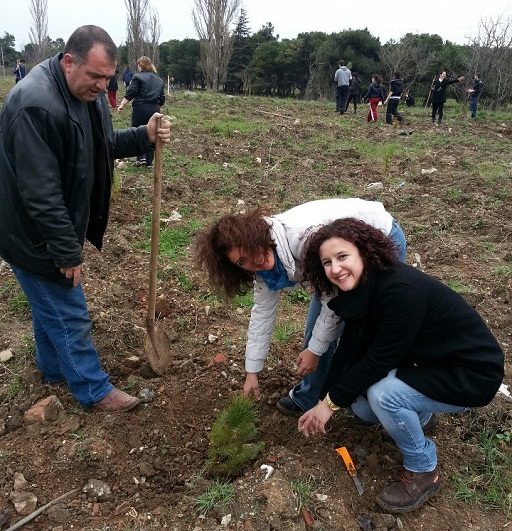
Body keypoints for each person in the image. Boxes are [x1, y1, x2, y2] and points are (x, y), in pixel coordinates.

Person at [0, 25, 171, 412]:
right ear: (68, 62)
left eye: (107, 78)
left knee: (49, 307)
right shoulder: (35, 105)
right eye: (94, 76)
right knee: (69, 308)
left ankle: (53, 370)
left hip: (44, 228)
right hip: (32, 234)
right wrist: (65, 250)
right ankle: (92, 389)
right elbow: (40, 192)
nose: (101, 86)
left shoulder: (85, 95)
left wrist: (143, 134)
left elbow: (101, 147)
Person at [298, 218, 504, 514]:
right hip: (431, 364)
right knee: (362, 408)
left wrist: (328, 406)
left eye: (343, 256)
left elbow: (378, 360)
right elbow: (352, 347)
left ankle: (424, 469)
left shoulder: (400, 291)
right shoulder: (361, 289)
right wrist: (324, 398)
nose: (335, 269)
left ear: (364, 253)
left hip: (470, 374)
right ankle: (419, 420)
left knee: (384, 395)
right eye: (327, 262)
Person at [194, 199, 407, 416]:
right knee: (316, 332)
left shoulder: (303, 240)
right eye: (241, 262)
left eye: (249, 249)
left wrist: (315, 351)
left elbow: (332, 304)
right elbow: (262, 315)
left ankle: (385, 406)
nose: (252, 261)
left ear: (257, 235)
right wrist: (252, 371)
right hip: (333, 264)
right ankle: (310, 396)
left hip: (378, 236)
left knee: (365, 328)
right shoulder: (265, 270)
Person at [118, 56, 165, 169]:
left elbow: (131, 93)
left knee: (139, 131)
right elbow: (162, 99)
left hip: (140, 108)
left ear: (140, 65)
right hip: (154, 109)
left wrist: (122, 104)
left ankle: (141, 158)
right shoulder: (159, 81)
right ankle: (149, 161)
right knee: (153, 133)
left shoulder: (137, 77)